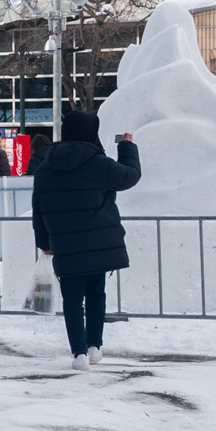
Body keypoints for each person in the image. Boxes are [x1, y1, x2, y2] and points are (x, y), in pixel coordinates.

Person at [32, 108, 141, 369]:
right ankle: (94, 347)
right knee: (96, 294)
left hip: (65, 245)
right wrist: (127, 148)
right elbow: (129, 176)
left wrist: (45, 242)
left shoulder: (46, 167)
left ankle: (78, 353)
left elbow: (39, 208)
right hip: (98, 244)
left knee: (72, 298)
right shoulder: (98, 162)